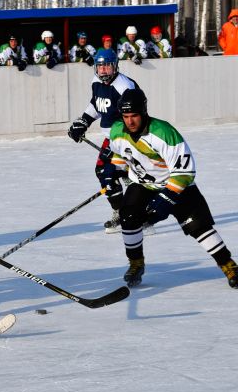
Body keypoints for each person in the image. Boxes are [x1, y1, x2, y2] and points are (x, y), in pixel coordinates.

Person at [103, 88, 237, 289]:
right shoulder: (117, 130)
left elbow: (185, 172)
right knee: (128, 217)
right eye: (125, 116)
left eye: (134, 116)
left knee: (197, 226)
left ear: (144, 112)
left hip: (176, 184)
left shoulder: (164, 132)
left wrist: (166, 199)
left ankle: (228, 264)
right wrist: (113, 173)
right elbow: (120, 155)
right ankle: (136, 263)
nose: (130, 121)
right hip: (143, 184)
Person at [67, 48, 144, 234]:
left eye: (107, 66)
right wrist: (84, 121)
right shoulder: (96, 81)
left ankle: (139, 214)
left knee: (114, 173)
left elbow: (136, 117)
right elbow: (97, 104)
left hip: (127, 138)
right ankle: (121, 211)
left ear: (115, 66)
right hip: (111, 138)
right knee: (104, 172)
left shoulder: (124, 86)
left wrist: (121, 144)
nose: (103, 70)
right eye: (100, 66)